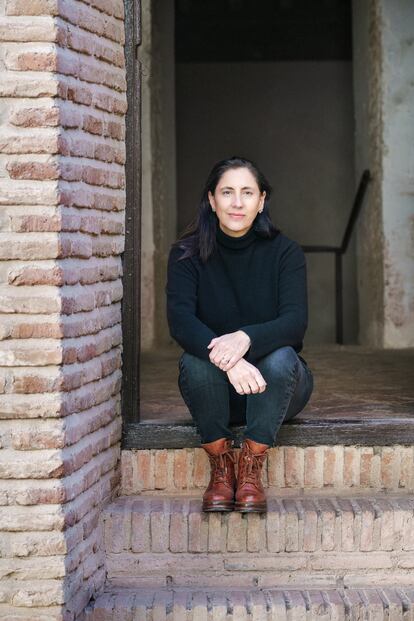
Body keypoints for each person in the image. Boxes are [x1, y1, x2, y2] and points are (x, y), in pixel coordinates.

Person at [166, 156, 314, 513]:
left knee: (282, 358)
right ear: (211, 200)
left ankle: (249, 466)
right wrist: (230, 362)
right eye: (227, 192)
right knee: (194, 362)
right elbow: (181, 323)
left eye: (247, 192)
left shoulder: (285, 252)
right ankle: (220, 466)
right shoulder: (186, 254)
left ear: (261, 201)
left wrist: (244, 338)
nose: (237, 202)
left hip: (277, 387)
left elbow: (295, 324)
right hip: (217, 386)